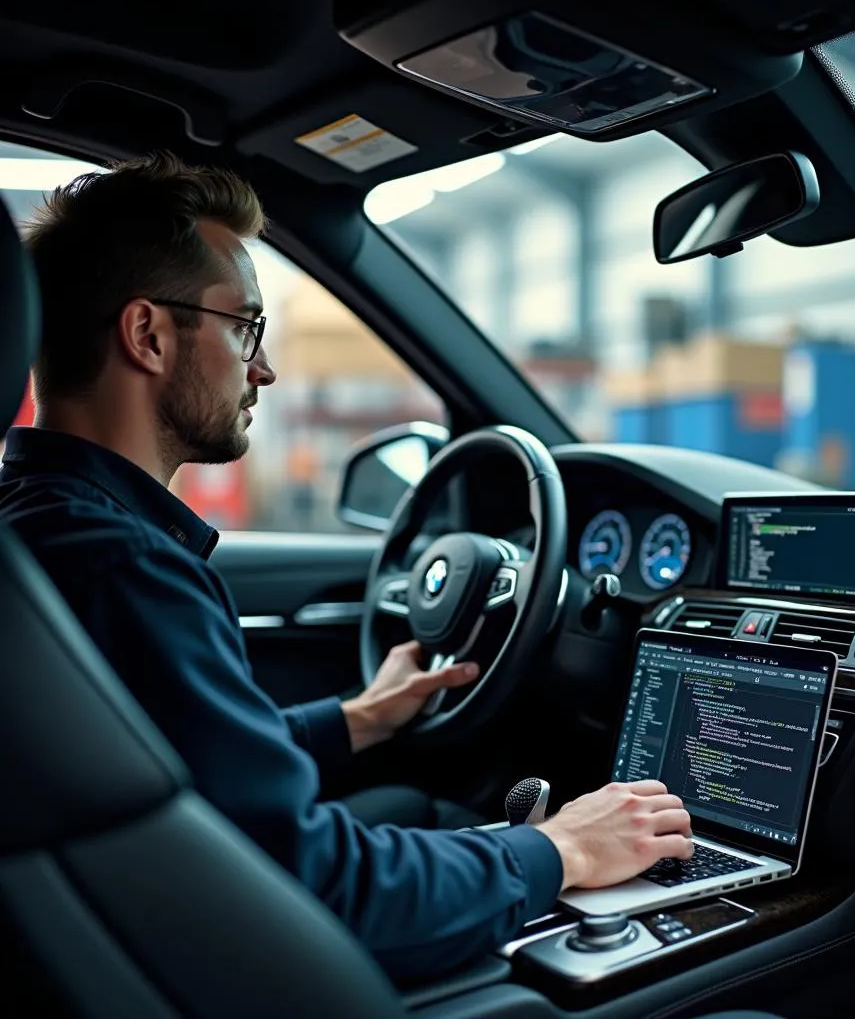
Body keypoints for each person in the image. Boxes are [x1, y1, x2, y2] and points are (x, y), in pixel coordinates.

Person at [0, 153, 694, 980]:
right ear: (148, 334)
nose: (264, 368)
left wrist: (359, 717)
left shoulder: (44, 533)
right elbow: (317, 888)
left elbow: (162, 765)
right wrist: (561, 849)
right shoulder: (125, 566)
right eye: (245, 327)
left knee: (414, 808)